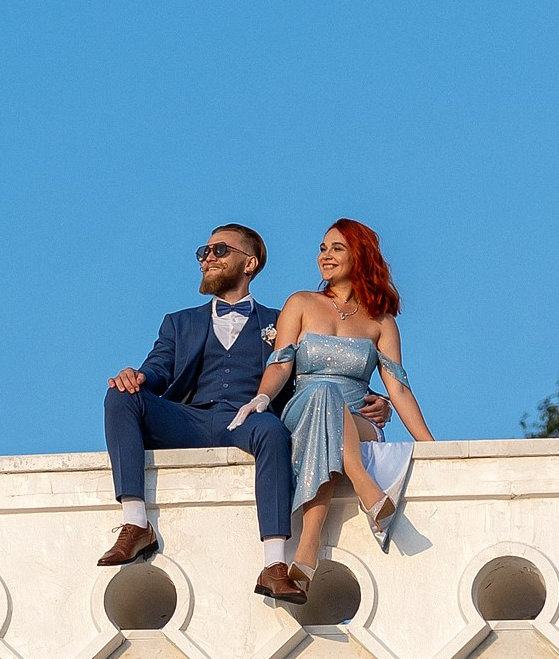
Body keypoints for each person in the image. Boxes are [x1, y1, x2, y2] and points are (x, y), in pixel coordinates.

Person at [100, 224, 391, 604]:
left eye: (219, 251)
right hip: (190, 419)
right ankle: (136, 523)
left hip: (250, 419)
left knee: (272, 431)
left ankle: (274, 564)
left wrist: (371, 399)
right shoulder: (179, 322)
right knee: (119, 397)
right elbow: (158, 367)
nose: (208, 258)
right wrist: (136, 377)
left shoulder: (279, 318)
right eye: (203, 252)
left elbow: (313, 371)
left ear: (249, 263)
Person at [228, 218, 434, 599]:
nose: (325, 256)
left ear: (360, 255)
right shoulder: (302, 303)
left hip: (359, 420)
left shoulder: (381, 321)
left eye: (336, 248)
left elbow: (400, 390)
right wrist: (261, 397)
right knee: (323, 394)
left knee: (331, 414)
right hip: (304, 409)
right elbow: (280, 363)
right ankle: (361, 487)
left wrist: (433, 447)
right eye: (323, 248)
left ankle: (306, 551)